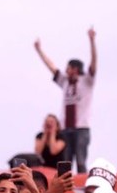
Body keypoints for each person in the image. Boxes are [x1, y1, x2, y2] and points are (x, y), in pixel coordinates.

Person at [33, 27, 97, 173]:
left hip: (81, 127)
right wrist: (39, 50)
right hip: (66, 128)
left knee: (80, 161)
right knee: (65, 162)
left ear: (75, 69)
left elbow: (94, 63)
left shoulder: (87, 81)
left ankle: (82, 183)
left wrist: (92, 41)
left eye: (68, 68)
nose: (66, 70)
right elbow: (51, 67)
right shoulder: (65, 82)